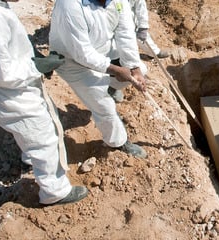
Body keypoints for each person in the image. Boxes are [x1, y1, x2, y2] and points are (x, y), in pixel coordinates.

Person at [0, 0, 88, 205]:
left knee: (30, 135)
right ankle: (55, 191)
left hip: (19, 89)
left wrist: (33, 55)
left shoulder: (0, 8)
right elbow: (1, 73)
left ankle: (30, 161)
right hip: (14, 94)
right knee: (43, 138)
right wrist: (37, 67)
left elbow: (9, 49)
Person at [49, 0, 148, 158]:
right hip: (72, 61)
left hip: (102, 50)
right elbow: (82, 53)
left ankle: (111, 86)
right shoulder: (69, 6)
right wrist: (115, 70)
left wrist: (133, 68)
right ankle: (117, 142)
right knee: (104, 106)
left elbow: (125, 32)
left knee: (141, 69)